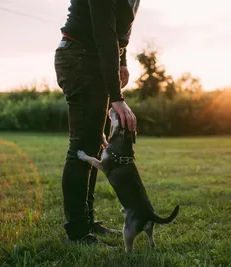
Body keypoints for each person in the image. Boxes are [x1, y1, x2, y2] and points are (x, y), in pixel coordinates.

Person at [54, 0, 140, 246]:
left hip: (94, 58)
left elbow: (122, 27)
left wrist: (122, 61)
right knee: (82, 146)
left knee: (94, 145)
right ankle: (77, 232)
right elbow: (104, 33)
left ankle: (87, 221)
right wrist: (117, 97)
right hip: (79, 57)